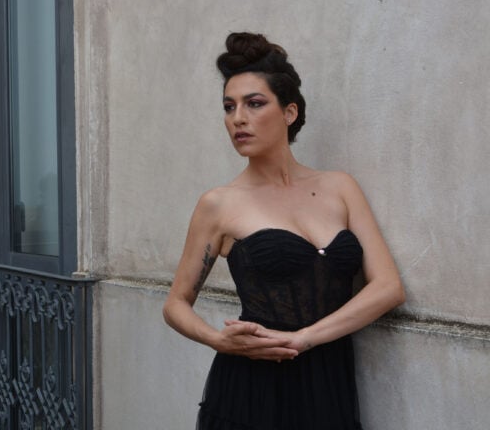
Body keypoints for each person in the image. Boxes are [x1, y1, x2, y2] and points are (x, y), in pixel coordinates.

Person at [162, 32, 406, 429]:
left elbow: (388, 287)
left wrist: (306, 337)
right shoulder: (219, 204)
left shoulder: (340, 187)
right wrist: (216, 339)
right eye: (229, 107)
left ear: (289, 113)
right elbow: (175, 303)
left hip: (329, 381)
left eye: (254, 104)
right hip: (252, 387)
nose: (238, 118)